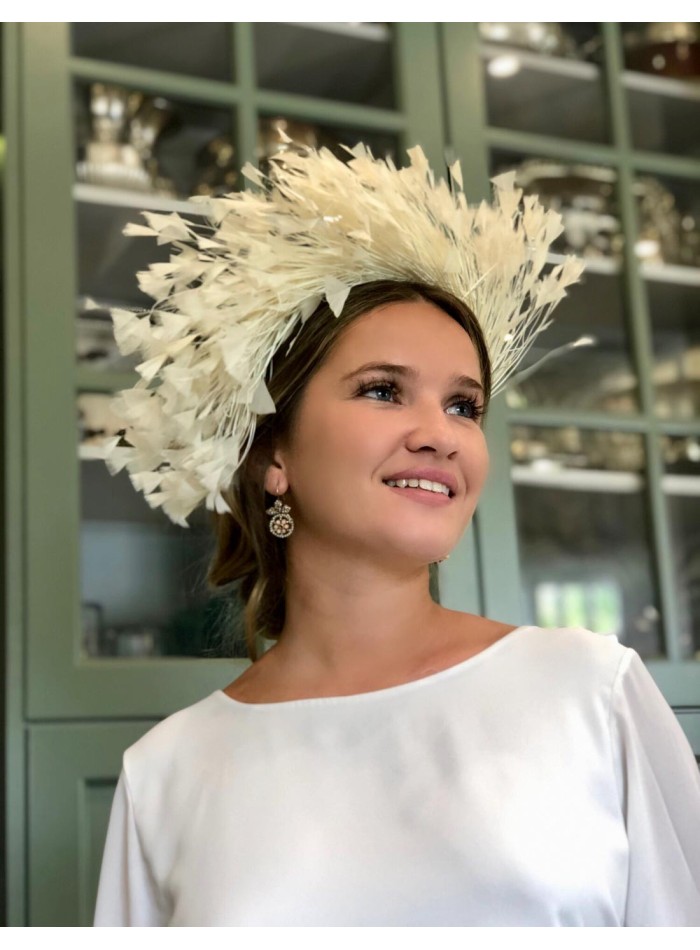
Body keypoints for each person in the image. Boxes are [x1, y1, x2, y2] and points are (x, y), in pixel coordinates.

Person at [93, 144, 700, 926]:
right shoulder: (167, 772)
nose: (439, 435)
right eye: (383, 390)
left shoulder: (589, 689)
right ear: (273, 454)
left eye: (464, 405)